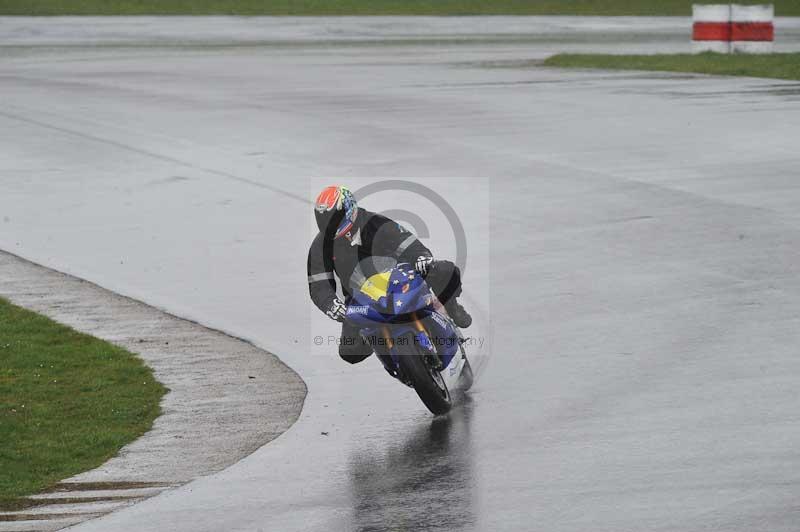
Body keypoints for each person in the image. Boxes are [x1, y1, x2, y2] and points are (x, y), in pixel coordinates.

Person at [307, 185, 472, 364]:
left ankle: (452, 307)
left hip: (400, 277)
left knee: (446, 271)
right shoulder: (319, 247)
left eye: (334, 218)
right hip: (359, 297)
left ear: (349, 209)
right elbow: (319, 285)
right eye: (324, 220)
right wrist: (331, 305)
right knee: (350, 351)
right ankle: (379, 342)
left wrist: (422, 259)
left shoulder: (376, 223)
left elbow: (409, 244)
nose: (329, 225)